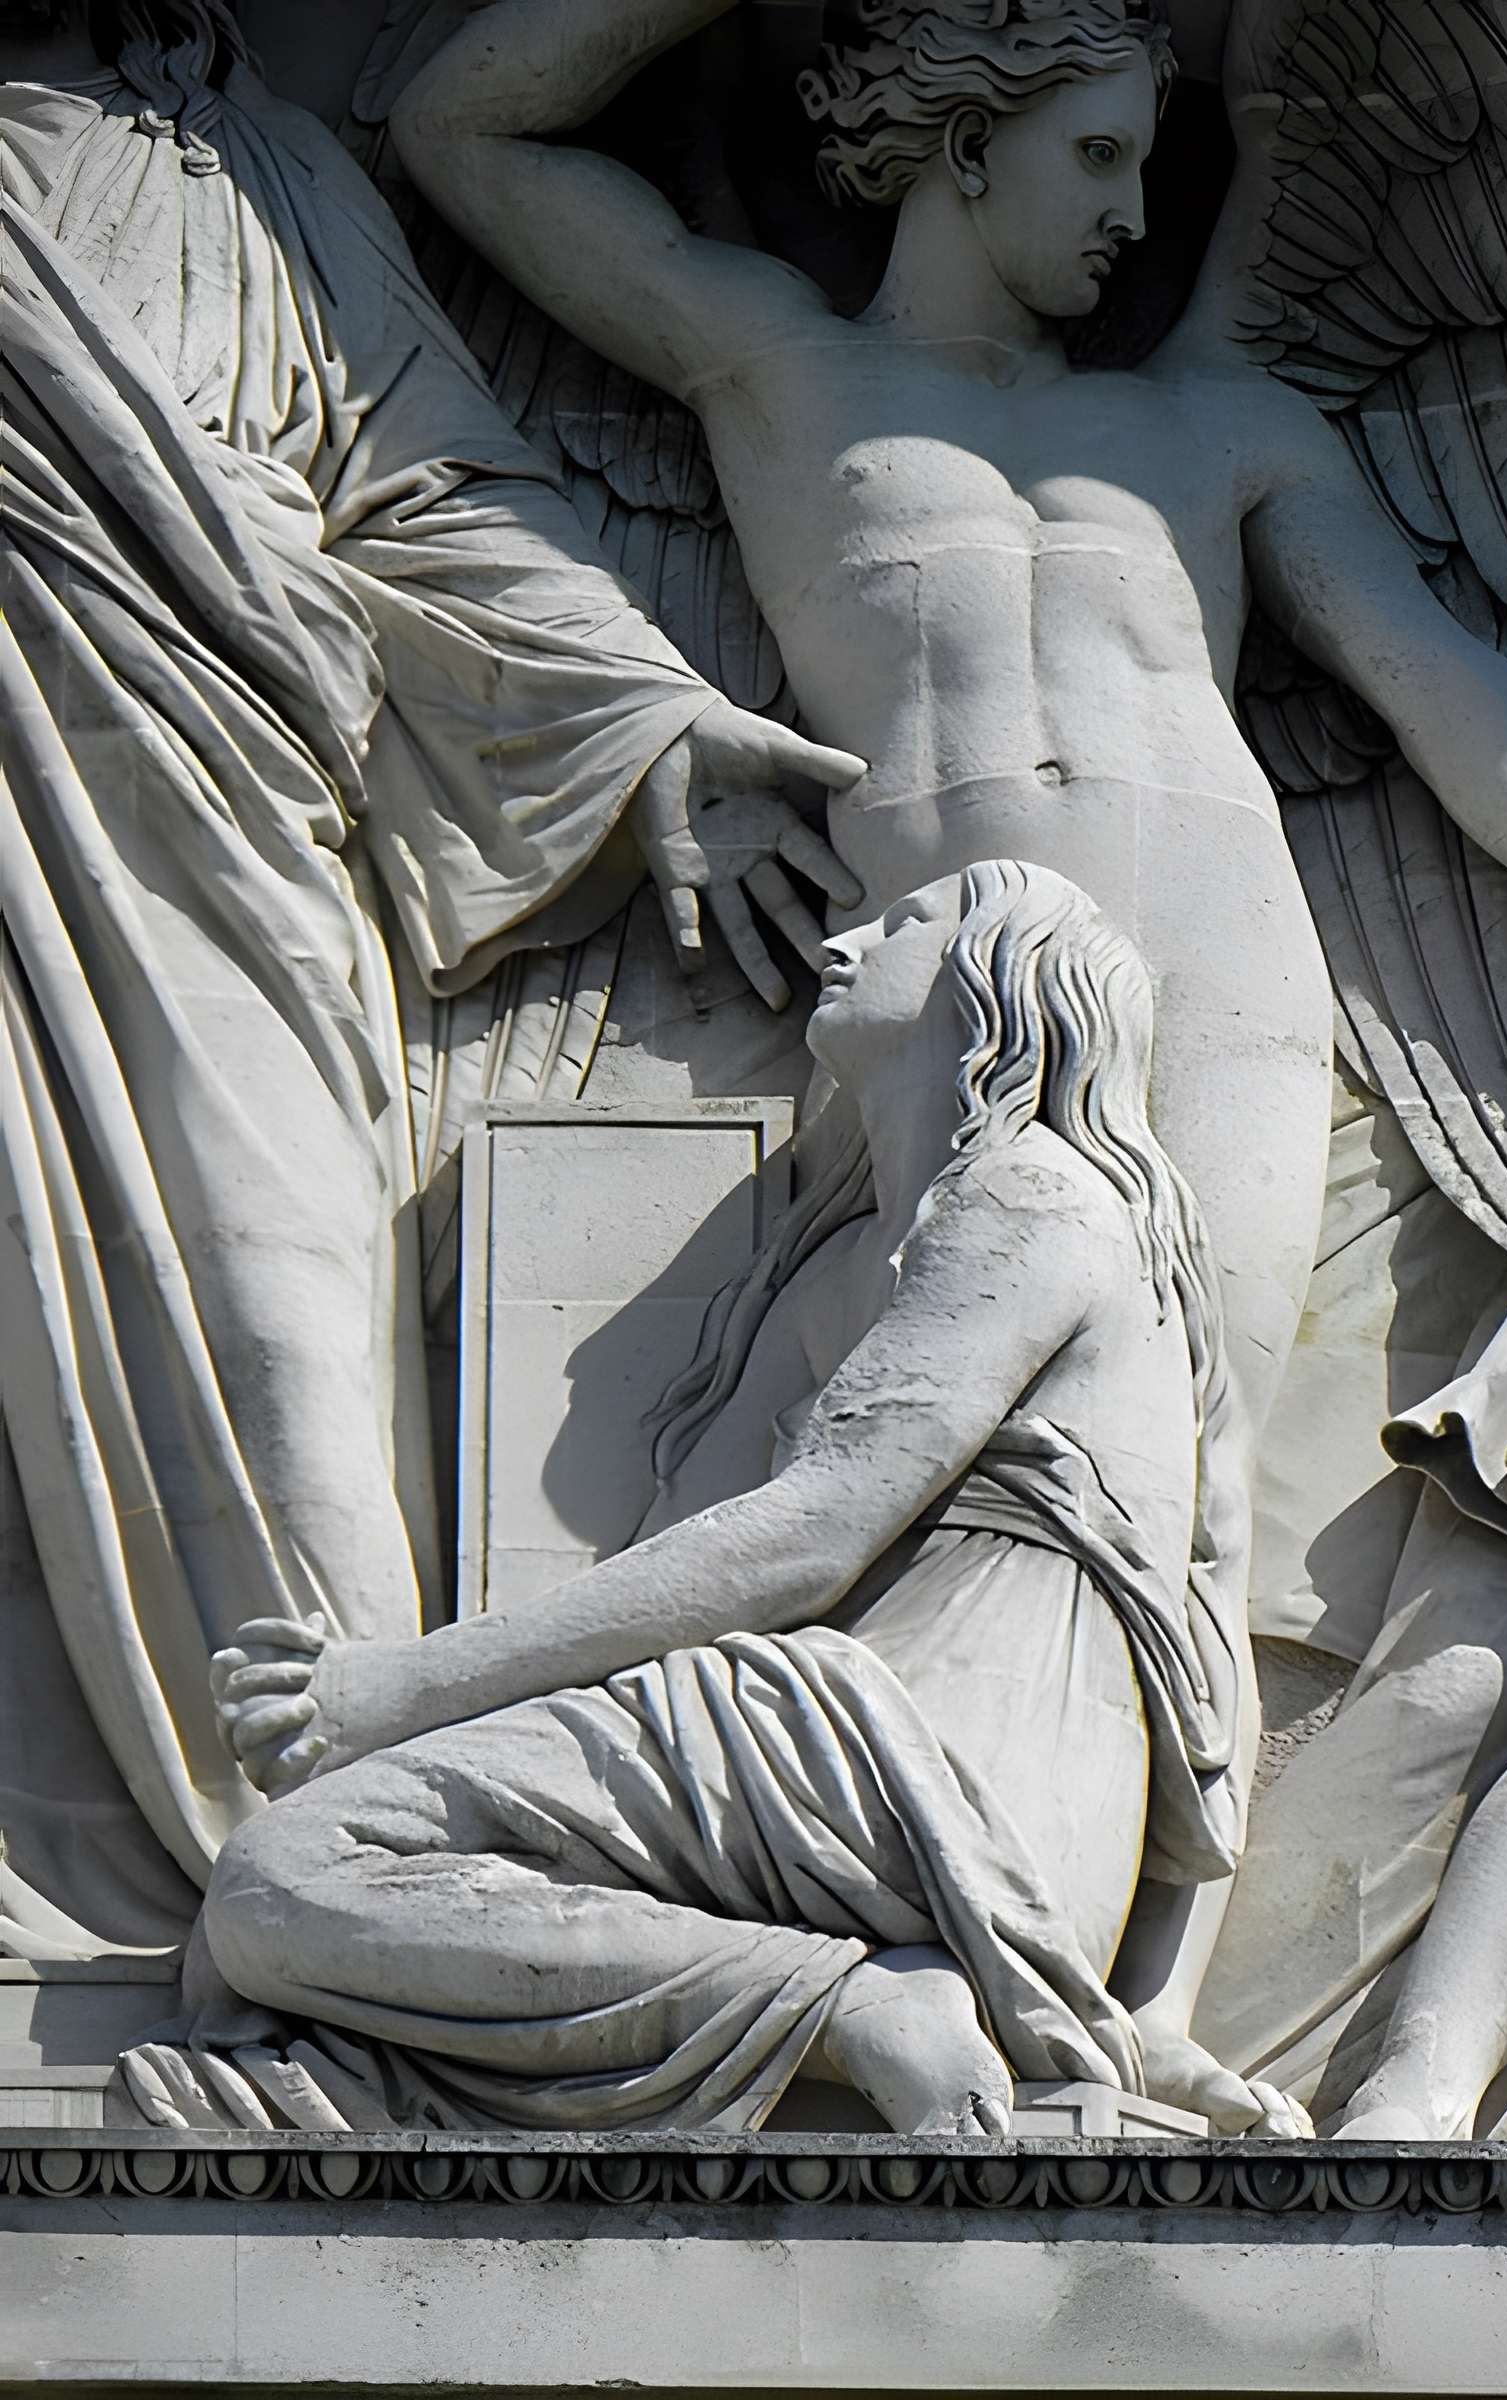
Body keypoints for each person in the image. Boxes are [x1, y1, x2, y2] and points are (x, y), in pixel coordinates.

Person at [384, 0, 1507, 2054]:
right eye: (1101, 160)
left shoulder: (1221, 430)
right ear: (961, 143)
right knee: (918, 1462)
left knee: (1172, 1487)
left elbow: (1449, 698)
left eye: (1149, 164)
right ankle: (905, 1944)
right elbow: (454, 117)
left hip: (1222, 980)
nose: (1141, 216)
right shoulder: (773, 356)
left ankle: (1139, 1993)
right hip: (944, 996)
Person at [0, 0, 866, 1956]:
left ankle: (358, 1894)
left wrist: (648, 720)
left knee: (281, 1333)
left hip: (208, 803)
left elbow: (435, 493)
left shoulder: (261, 175)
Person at [193, 860, 1310, 2136]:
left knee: (289, 1874)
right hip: (931, 1807)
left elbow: (811, 1539)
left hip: (922, 1772)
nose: (847, 939)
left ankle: (846, 2009)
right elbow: (692, 1564)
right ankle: (854, 2007)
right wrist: (1129, 2011)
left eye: (910, 920)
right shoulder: (845, 1263)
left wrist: (402, 1689)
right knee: (273, 1916)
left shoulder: (1035, 1196)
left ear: (1000, 979)